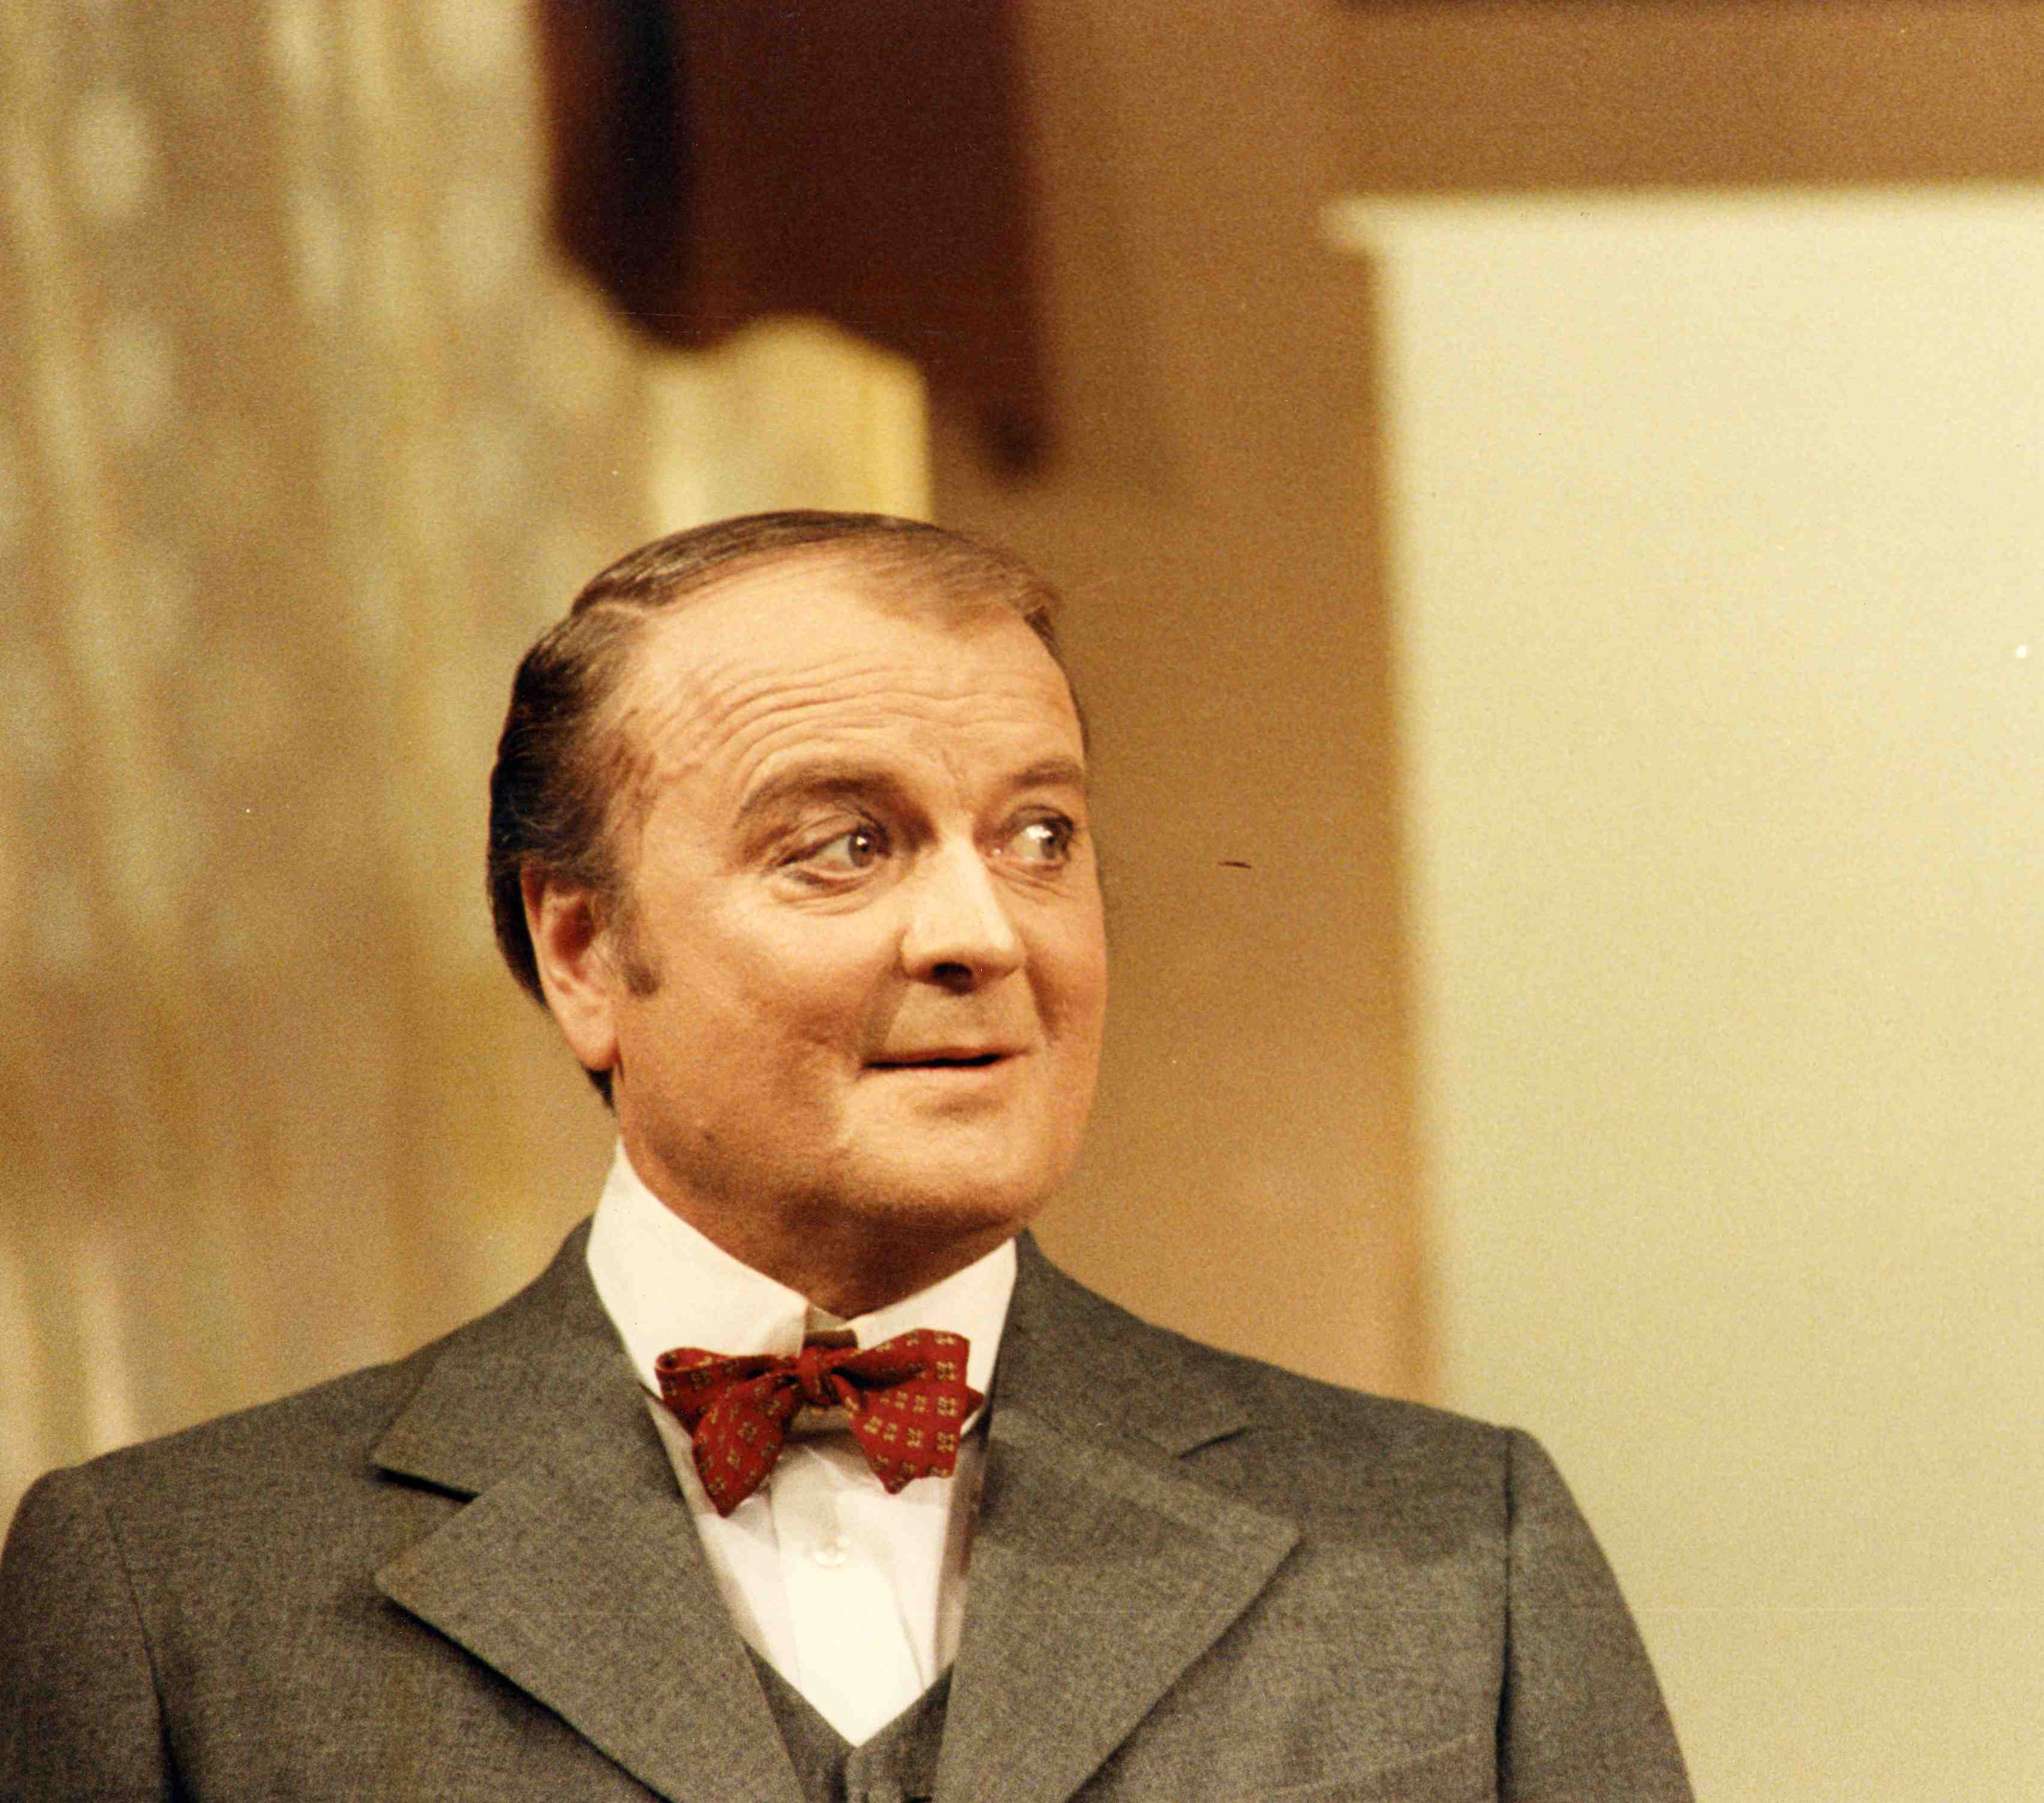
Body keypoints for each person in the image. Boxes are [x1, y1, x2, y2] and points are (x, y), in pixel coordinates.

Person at [0, 512, 1691, 1801]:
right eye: (843, 846)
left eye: (1040, 835)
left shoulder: (1460, 1558)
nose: (983, 932)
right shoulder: (173, 1597)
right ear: (583, 950)